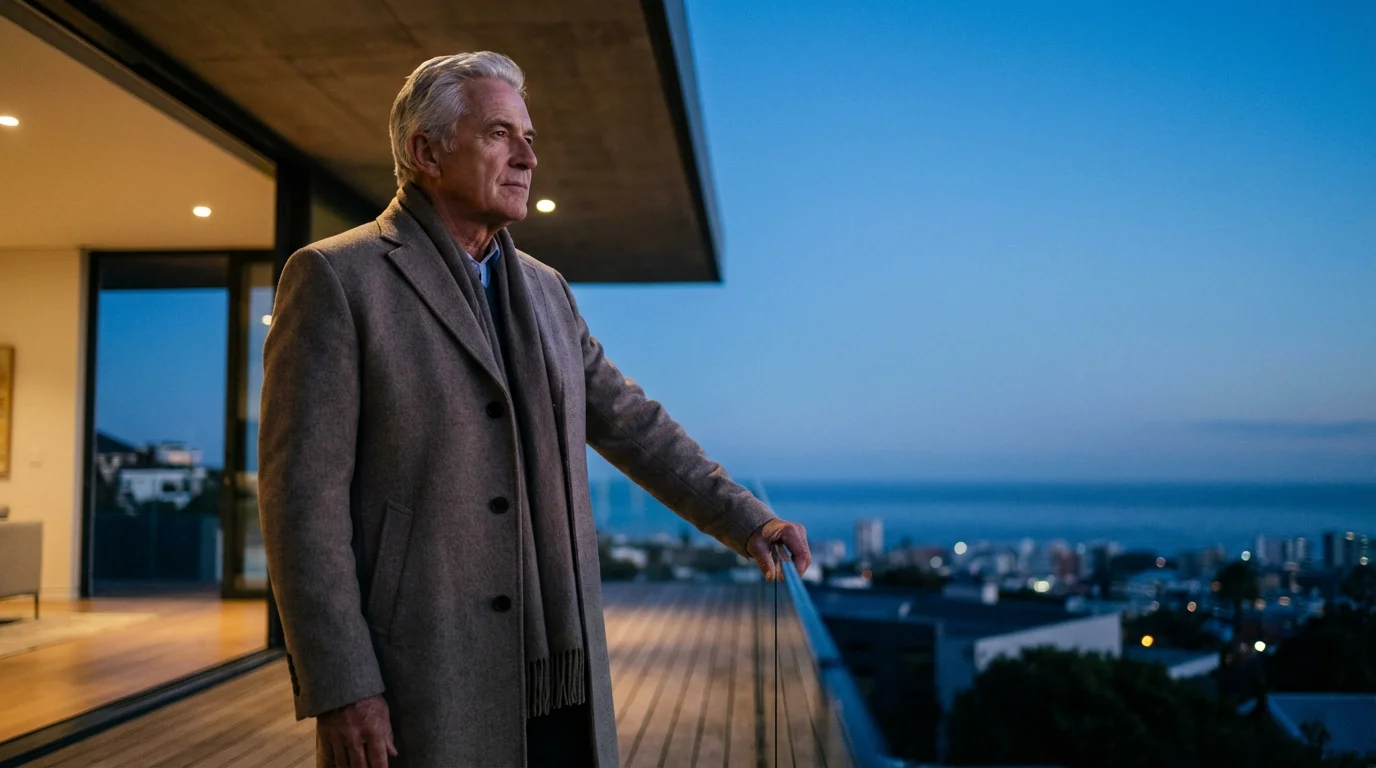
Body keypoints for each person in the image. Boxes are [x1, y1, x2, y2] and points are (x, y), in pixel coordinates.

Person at [258, 52, 811, 768]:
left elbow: (633, 425)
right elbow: (301, 504)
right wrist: (341, 685)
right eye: (499, 134)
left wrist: (748, 519)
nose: (528, 156)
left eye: (529, 136)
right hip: (421, 670)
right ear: (426, 151)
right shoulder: (337, 277)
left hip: (562, 667)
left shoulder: (546, 290)